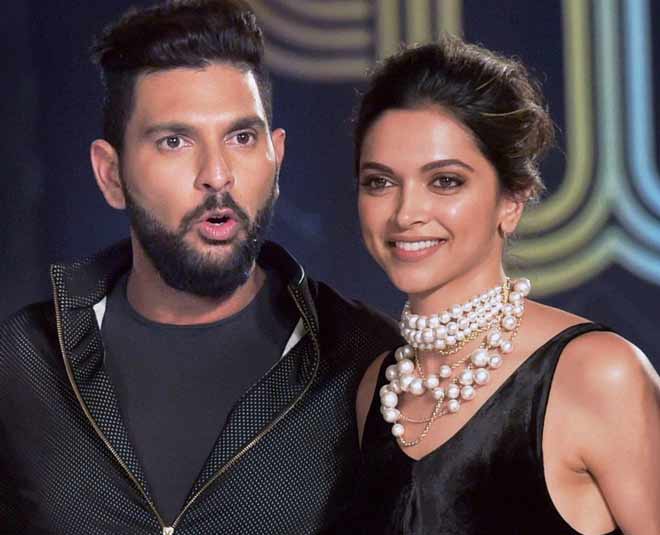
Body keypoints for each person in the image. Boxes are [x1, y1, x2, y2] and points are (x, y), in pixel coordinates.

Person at [0, 1, 400, 533]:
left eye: (241, 137)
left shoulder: (367, 361)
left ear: (276, 157)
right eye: (174, 141)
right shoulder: (23, 361)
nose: (216, 174)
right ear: (111, 174)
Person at [351, 38, 660, 535]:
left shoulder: (598, 374)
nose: (406, 213)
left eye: (445, 181)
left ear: (512, 201)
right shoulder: (375, 391)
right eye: (380, 182)